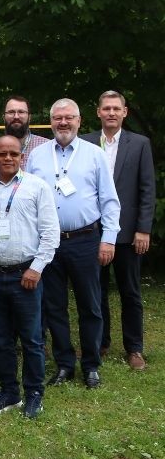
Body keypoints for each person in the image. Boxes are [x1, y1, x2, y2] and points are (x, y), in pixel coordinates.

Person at [0, 135, 59, 419]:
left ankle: (34, 394)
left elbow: (50, 233)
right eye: (2, 154)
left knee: (31, 339)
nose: (8, 158)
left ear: (22, 157)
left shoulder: (37, 188)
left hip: (25, 275)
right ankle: (9, 391)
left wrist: (37, 268)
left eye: (13, 154)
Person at [28, 98, 120, 389]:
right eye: (58, 118)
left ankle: (91, 364)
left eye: (69, 118)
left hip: (85, 240)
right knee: (53, 306)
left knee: (89, 305)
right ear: (51, 121)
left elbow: (109, 200)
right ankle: (65, 363)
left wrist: (108, 239)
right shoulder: (38, 156)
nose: (63, 123)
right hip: (49, 243)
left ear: (79, 121)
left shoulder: (94, 155)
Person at [81, 91, 155, 370]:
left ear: (125, 112)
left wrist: (143, 229)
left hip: (127, 233)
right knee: (95, 291)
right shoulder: (86, 142)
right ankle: (100, 342)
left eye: (116, 109)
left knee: (130, 291)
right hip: (92, 231)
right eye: (106, 108)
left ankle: (134, 348)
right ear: (98, 112)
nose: (111, 113)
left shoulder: (139, 144)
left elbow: (147, 189)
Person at [0, 96, 49, 167]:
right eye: (11, 112)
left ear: (29, 117)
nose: (16, 116)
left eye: (21, 112)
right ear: (3, 118)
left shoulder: (46, 147)